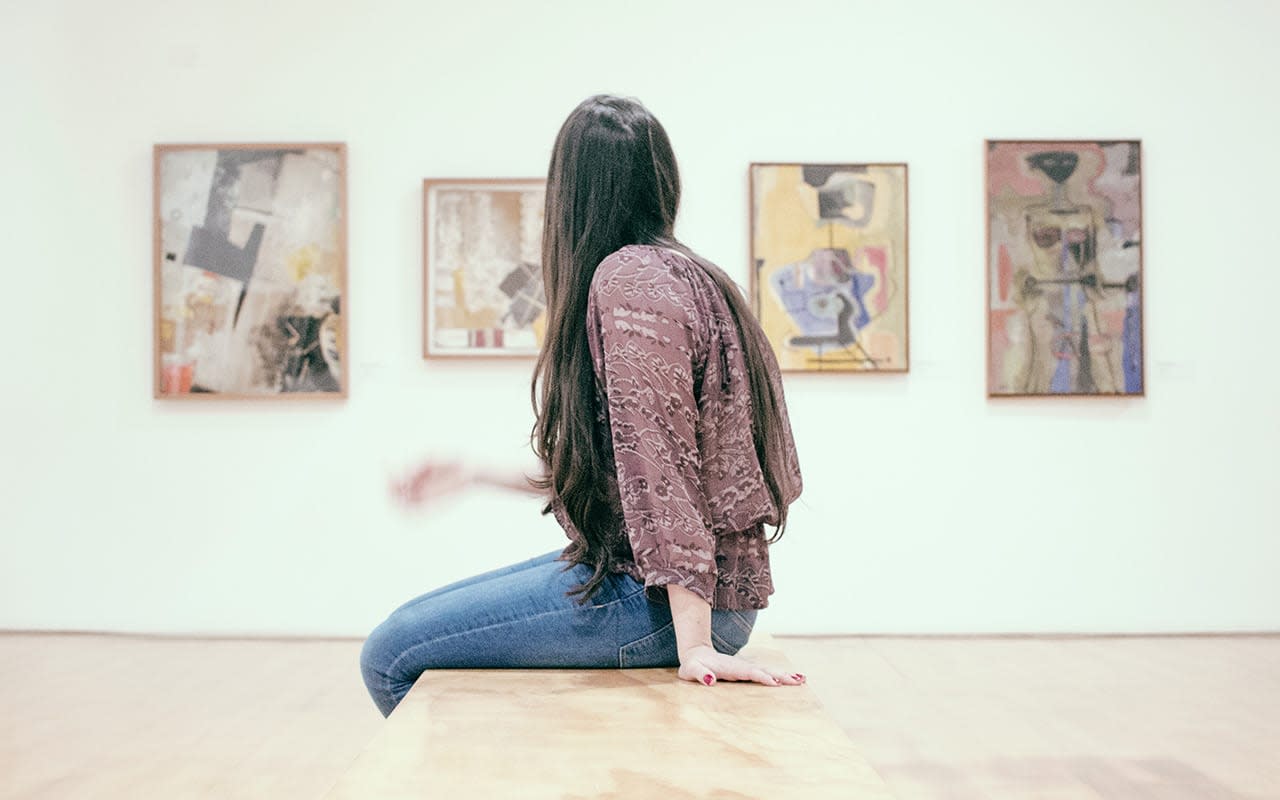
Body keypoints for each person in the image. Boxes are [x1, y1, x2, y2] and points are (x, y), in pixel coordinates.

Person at [360, 95, 805, 717]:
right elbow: (625, 472)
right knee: (406, 629)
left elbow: (661, 467)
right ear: (661, 180)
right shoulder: (687, 274)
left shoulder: (629, 282)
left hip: (664, 604)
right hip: (667, 588)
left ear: (568, 193)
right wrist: (472, 473)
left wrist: (697, 644)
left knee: (390, 654)